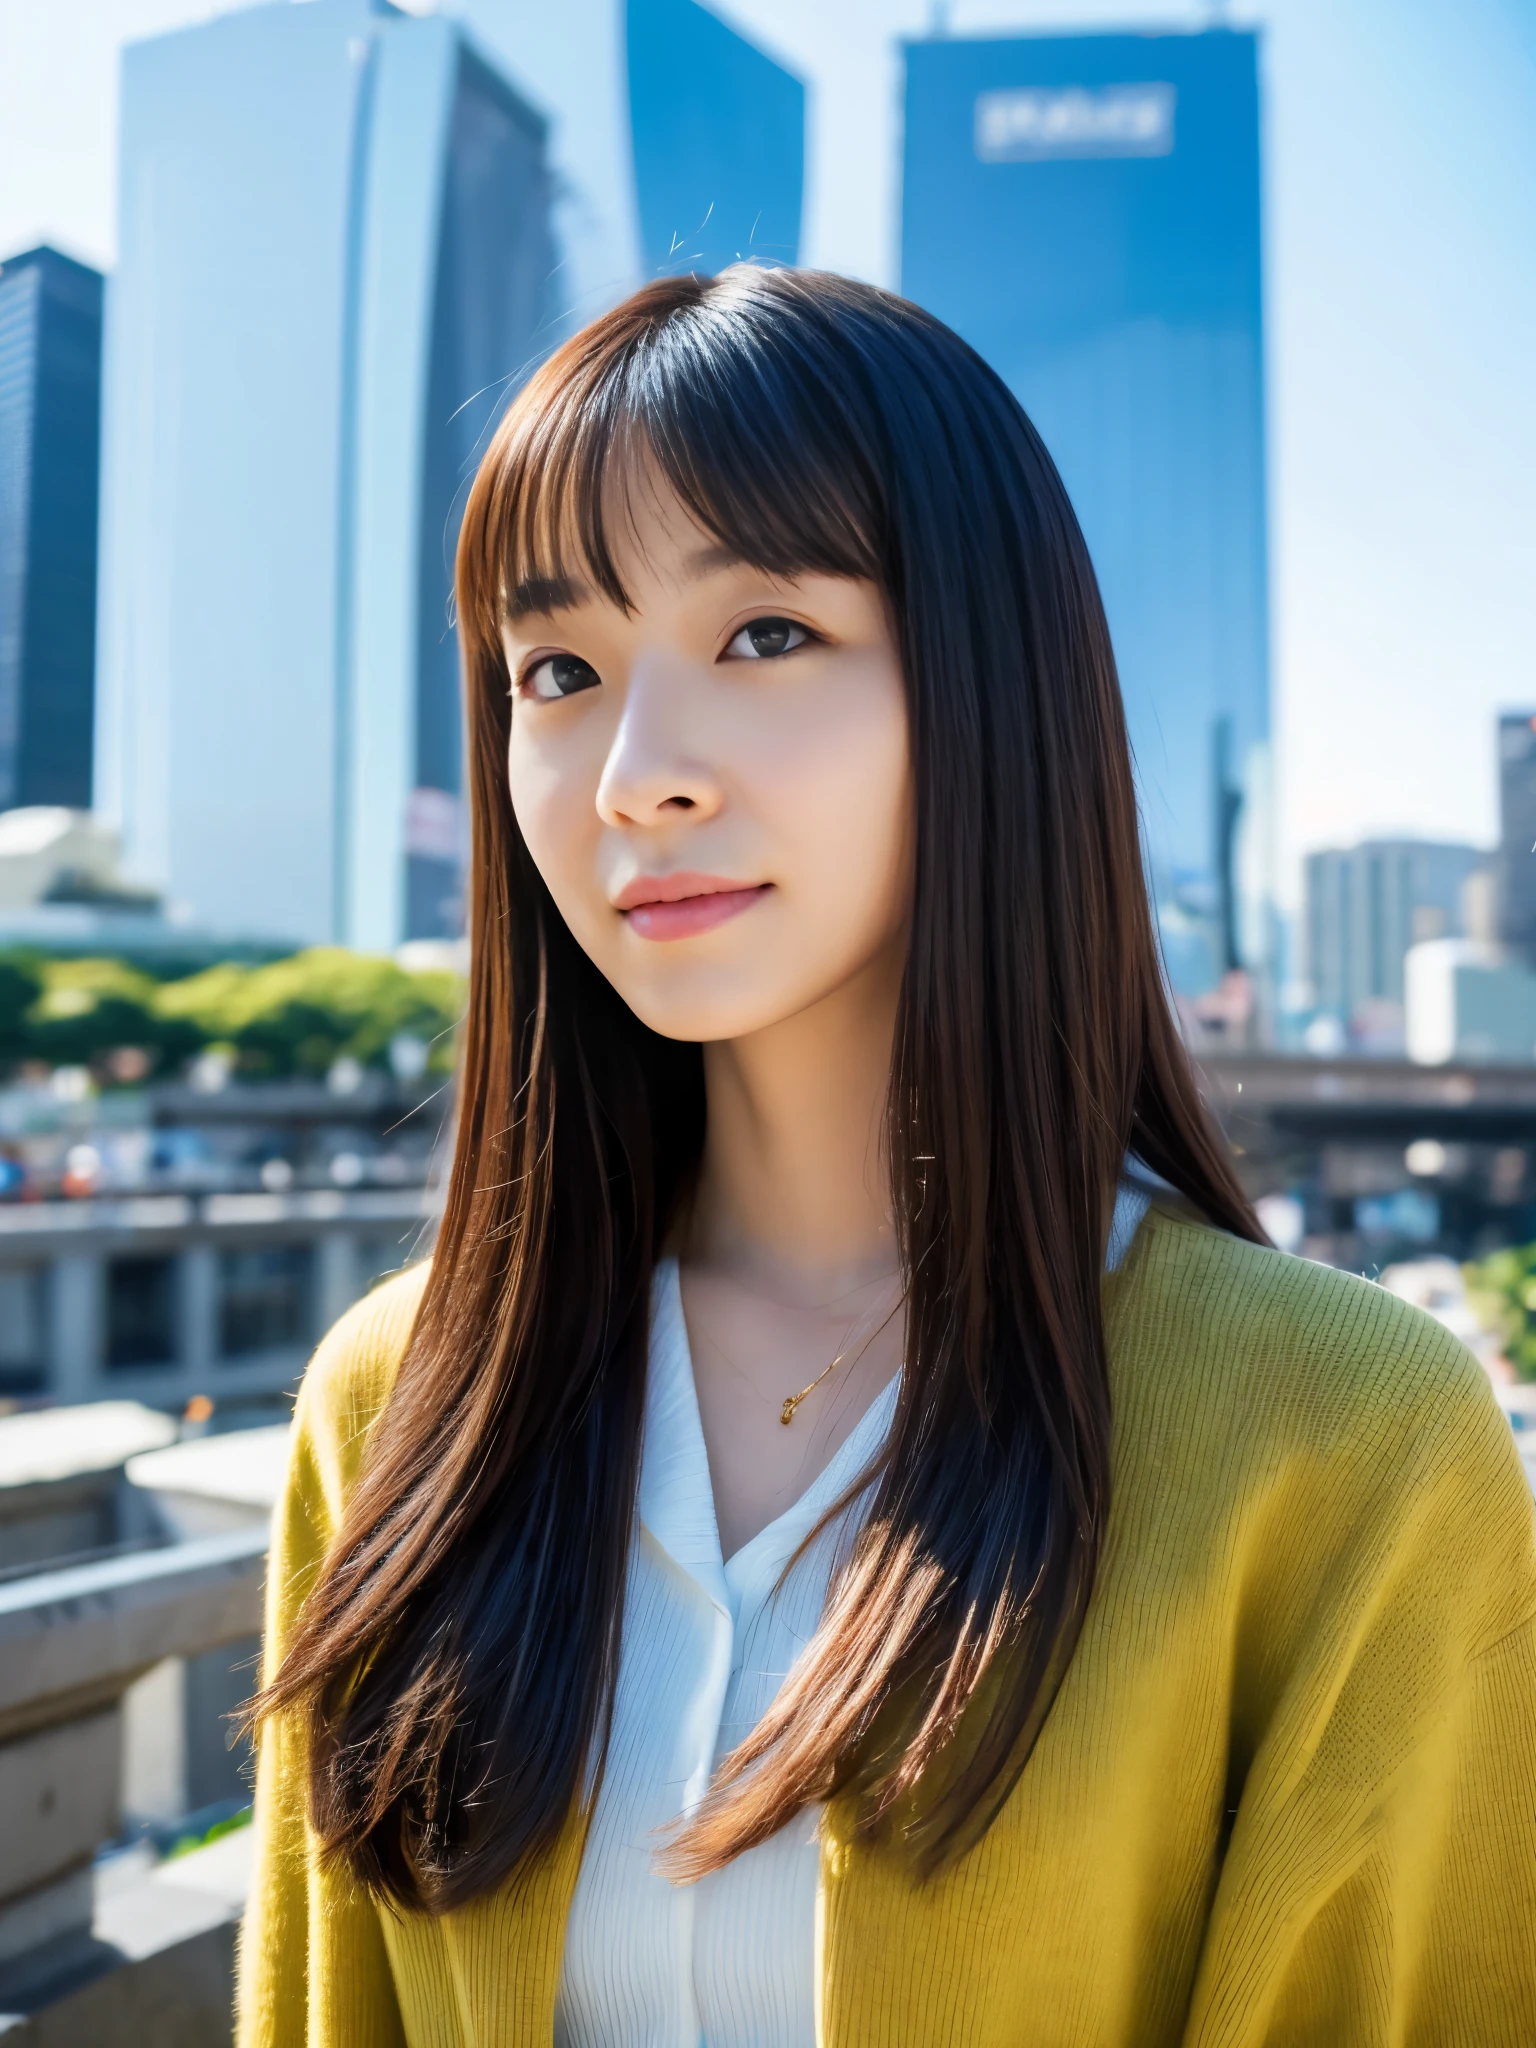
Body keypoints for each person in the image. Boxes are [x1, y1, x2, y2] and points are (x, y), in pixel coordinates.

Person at [238, 268, 1536, 2047]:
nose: (636, 773)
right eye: (557, 669)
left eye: (764, 633)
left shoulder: (1349, 1443)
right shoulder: (402, 1404)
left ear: (988, 685)